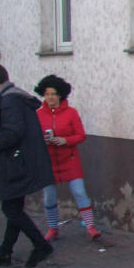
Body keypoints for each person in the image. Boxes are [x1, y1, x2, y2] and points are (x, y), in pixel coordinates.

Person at [0, 64, 54, 268]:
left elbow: (13, 133)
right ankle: (5, 252)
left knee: (10, 208)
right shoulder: (12, 96)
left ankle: (41, 245)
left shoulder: (8, 100)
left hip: (16, 162)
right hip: (20, 161)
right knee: (13, 207)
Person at [34, 75, 100, 241]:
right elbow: (32, 137)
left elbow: (80, 135)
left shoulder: (71, 113)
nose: (50, 97)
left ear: (61, 95)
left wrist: (65, 140)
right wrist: (42, 140)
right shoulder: (38, 114)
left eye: (54, 94)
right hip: (48, 161)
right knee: (49, 195)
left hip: (69, 160)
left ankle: (90, 227)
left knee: (79, 192)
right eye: (47, 94)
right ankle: (53, 228)